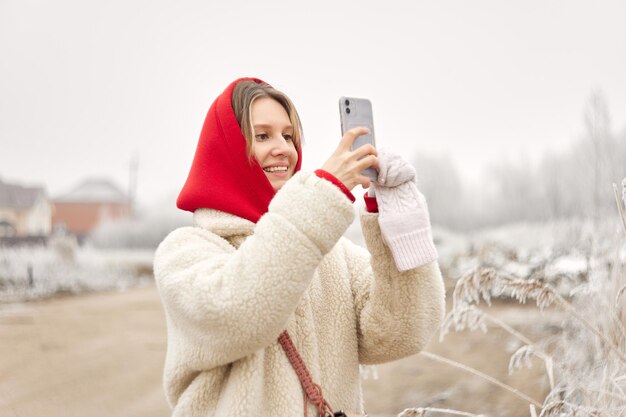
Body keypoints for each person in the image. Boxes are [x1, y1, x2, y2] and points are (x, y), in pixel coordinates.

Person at [154, 77, 445, 417]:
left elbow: (402, 333)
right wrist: (324, 193)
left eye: (288, 135)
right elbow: (239, 314)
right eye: (262, 135)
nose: (284, 149)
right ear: (226, 149)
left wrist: (399, 219)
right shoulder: (186, 251)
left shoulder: (331, 252)